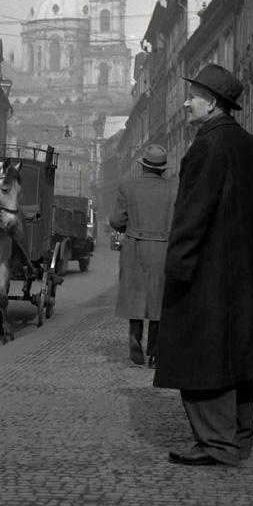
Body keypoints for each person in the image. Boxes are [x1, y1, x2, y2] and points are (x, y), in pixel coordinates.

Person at [154, 64, 253, 467]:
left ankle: (216, 444)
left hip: (209, 271)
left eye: (193, 97)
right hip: (246, 273)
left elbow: (194, 213)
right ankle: (239, 436)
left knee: (202, 356)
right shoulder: (252, 146)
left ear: (212, 104)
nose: (187, 103)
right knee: (239, 355)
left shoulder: (208, 145)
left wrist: (177, 266)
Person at [109, 145, 177, 368]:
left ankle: (135, 336)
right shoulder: (174, 189)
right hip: (163, 249)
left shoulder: (127, 188)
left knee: (135, 295)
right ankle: (156, 353)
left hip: (135, 248)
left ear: (143, 166)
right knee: (159, 302)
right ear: (163, 169)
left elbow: (116, 221)